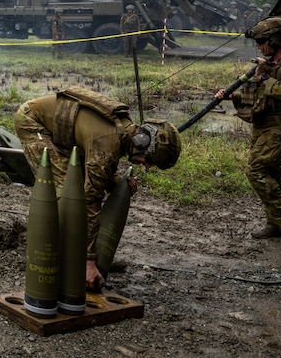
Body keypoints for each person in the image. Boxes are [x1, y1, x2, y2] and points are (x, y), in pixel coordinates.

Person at [13, 87, 181, 290]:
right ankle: (61, 261)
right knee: (65, 193)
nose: (147, 166)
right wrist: (89, 261)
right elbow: (90, 199)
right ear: (142, 142)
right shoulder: (107, 143)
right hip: (33, 121)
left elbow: (101, 165)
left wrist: (117, 181)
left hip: (65, 134)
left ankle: (73, 257)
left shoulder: (123, 129)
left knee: (75, 187)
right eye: (149, 160)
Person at [215, 17, 281, 250]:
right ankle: (275, 222)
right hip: (262, 124)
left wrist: (265, 77)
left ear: (276, 39)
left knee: (257, 170)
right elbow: (256, 96)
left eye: (262, 41)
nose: (258, 46)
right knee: (270, 171)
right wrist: (234, 96)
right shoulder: (268, 63)